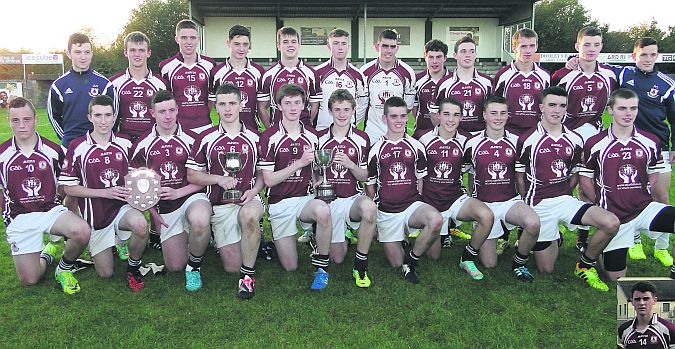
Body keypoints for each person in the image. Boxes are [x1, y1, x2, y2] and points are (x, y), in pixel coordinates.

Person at [514, 86, 619, 291]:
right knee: (546, 269)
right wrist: (528, 201)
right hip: (539, 205)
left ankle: (585, 264)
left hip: (565, 200)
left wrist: (565, 192)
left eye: (562, 106)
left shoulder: (575, 139)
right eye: (552, 105)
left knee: (611, 223)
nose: (557, 110)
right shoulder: (527, 139)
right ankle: (553, 235)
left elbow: (576, 175)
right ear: (541, 107)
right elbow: (519, 177)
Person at [580, 88, 675, 281]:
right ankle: (597, 251)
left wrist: (640, 192)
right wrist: (602, 205)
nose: (628, 113)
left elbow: (653, 174)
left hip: (644, 208)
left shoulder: (650, 141)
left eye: (633, 108)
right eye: (622, 108)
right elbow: (585, 180)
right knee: (616, 278)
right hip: (615, 215)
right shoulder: (595, 143)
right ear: (610, 110)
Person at [59, 95, 150, 292]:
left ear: (114, 116)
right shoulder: (77, 146)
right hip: (96, 217)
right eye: (98, 115)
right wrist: (105, 192)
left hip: (122, 208)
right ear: (89, 117)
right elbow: (69, 188)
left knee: (141, 225)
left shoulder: (125, 143)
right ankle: (116, 241)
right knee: (105, 273)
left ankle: (133, 268)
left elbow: (137, 177)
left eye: (108, 115)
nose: (103, 121)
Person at [1, 97, 90, 294]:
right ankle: (47, 256)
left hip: (50, 212)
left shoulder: (55, 150)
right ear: (9, 121)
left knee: (82, 231)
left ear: (36, 119)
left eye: (27, 119)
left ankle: (64, 268)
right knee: (30, 280)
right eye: (16, 120)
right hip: (20, 217)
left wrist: (61, 206)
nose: (22, 125)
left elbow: (66, 185)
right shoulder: (2, 155)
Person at [187, 83, 265, 299]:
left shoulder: (256, 137)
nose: (228, 109)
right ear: (216, 108)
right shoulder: (205, 138)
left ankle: (247, 278)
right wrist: (218, 179)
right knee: (231, 265)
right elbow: (192, 175)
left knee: (249, 217)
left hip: (248, 198)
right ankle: (222, 239)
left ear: (242, 105)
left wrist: (255, 190)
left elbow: (262, 174)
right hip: (220, 204)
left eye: (232, 103)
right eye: (222, 104)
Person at [129, 90, 212, 291]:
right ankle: (191, 240)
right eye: (162, 111)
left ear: (178, 110)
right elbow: (136, 187)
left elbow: (205, 179)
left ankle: (194, 267)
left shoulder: (194, 139)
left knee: (200, 221)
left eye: (172, 110)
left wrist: (178, 193)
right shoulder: (142, 144)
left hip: (192, 196)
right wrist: (152, 211)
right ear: (152, 113)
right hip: (165, 208)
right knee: (175, 266)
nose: (167, 116)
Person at [259, 84, 332, 290]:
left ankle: (322, 269)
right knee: (290, 266)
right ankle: (306, 237)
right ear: (279, 106)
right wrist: (299, 163)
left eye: (297, 103)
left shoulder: (312, 136)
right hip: (279, 202)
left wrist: (318, 179)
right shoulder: (269, 137)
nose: (293, 108)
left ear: (304, 105)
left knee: (324, 211)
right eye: (287, 103)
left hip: (304, 199)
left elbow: (317, 169)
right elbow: (269, 181)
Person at [551, 26, 617, 251]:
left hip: (595, 137)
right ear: (577, 46)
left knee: (590, 187)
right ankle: (554, 229)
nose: (591, 49)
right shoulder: (562, 75)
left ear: (601, 47)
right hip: (567, 137)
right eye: (586, 44)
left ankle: (582, 238)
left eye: (596, 44)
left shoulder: (610, 74)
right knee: (560, 182)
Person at [463, 96, 540, 280]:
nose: (498, 118)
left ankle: (519, 263)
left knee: (533, 223)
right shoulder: (471, 143)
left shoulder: (518, 142)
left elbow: (522, 176)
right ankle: (478, 238)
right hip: (485, 205)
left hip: (509, 202)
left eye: (503, 113)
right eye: (493, 113)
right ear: (484, 115)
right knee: (490, 263)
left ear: (508, 116)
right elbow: (467, 174)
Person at [366, 96, 442, 283]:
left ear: (408, 117)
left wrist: (419, 205)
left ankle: (411, 260)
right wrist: (374, 220)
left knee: (435, 220)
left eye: (402, 116)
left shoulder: (417, 147)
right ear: (385, 119)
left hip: (411, 206)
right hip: (387, 212)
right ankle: (402, 242)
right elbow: (370, 186)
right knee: (394, 263)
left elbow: (420, 180)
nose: (399, 120)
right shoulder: (375, 150)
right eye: (393, 116)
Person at [417, 97, 494, 280]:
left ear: (461, 118)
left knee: (486, 216)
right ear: (438, 116)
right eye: (447, 114)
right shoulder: (422, 138)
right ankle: (437, 231)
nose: (451, 120)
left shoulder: (468, 141)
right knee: (433, 256)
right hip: (431, 202)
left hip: (455, 198)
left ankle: (468, 257)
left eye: (456, 115)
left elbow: (472, 172)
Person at [317, 89, 377, 287]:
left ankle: (361, 265)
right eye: (337, 110)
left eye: (346, 110)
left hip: (352, 199)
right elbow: (315, 173)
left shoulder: (362, 138)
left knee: (369, 208)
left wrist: (351, 165)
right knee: (338, 258)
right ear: (330, 111)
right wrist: (317, 181)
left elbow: (365, 176)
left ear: (353, 111)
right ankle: (336, 234)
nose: (342, 115)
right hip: (329, 201)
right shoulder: (319, 138)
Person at [48, 33, 117, 148]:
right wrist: (66, 137)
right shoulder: (58, 86)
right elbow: (53, 116)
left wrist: (103, 137)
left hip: (98, 145)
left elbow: (115, 115)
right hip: (70, 146)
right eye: (78, 52)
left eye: (87, 52)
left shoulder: (105, 85)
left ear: (92, 54)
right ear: (69, 54)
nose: (83, 57)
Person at [159, 19, 216, 134]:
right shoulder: (166, 67)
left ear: (198, 40)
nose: (188, 42)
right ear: (177, 39)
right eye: (184, 38)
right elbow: (165, 100)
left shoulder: (210, 65)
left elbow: (212, 97)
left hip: (205, 126)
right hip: (178, 127)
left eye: (193, 38)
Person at [258, 26, 322, 128]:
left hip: (303, 132)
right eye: (285, 42)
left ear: (298, 44)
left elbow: (314, 105)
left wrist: (305, 126)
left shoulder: (311, 74)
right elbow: (262, 107)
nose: (290, 45)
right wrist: (270, 129)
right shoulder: (268, 75)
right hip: (277, 132)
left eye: (293, 41)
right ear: (278, 45)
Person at [110, 31, 168, 142]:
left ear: (149, 53)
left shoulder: (161, 84)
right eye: (132, 50)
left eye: (141, 50)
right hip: (123, 142)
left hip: (153, 141)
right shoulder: (114, 83)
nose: (137, 54)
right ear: (125, 52)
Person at [360, 29, 416, 144]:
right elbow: (361, 105)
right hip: (372, 133)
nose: (388, 51)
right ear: (377, 46)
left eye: (392, 46)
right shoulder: (365, 72)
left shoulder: (408, 72)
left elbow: (408, 107)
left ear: (397, 48)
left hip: (397, 134)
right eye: (385, 46)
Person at [494, 28, 550, 136]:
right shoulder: (502, 76)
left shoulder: (545, 76)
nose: (528, 51)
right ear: (514, 48)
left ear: (536, 47)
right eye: (523, 46)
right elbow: (494, 105)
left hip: (537, 133)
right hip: (509, 133)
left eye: (532, 46)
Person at [432, 36, 493, 134]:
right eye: (463, 51)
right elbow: (434, 113)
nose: (468, 55)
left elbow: (494, 112)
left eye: (471, 51)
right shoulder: (444, 84)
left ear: (476, 55)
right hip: (454, 137)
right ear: (455, 55)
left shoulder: (487, 82)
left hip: (480, 136)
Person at [210, 25, 265, 132]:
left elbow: (262, 106)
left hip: (252, 131)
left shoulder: (258, 71)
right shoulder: (217, 73)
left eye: (245, 45)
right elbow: (211, 104)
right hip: (225, 132)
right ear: (228, 43)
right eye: (237, 44)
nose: (241, 49)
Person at [314, 28, 368, 131]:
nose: (340, 48)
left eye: (343, 43)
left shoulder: (358, 75)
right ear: (329, 46)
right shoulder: (317, 73)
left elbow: (363, 103)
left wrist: (353, 121)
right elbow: (311, 105)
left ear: (348, 46)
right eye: (335, 43)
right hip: (322, 131)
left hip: (348, 132)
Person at [618, 281, 675, 348]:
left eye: (646, 299)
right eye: (637, 299)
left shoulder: (669, 329)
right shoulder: (623, 329)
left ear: (654, 300)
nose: (641, 303)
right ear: (632, 302)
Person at [411, 39, 450, 138]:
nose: (434, 61)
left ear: (445, 58)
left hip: (448, 134)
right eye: (431, 57)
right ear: (425, 57)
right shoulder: (416, 80)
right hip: (422, 133)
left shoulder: (453, 80)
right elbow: (414, 108)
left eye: (439, 57)